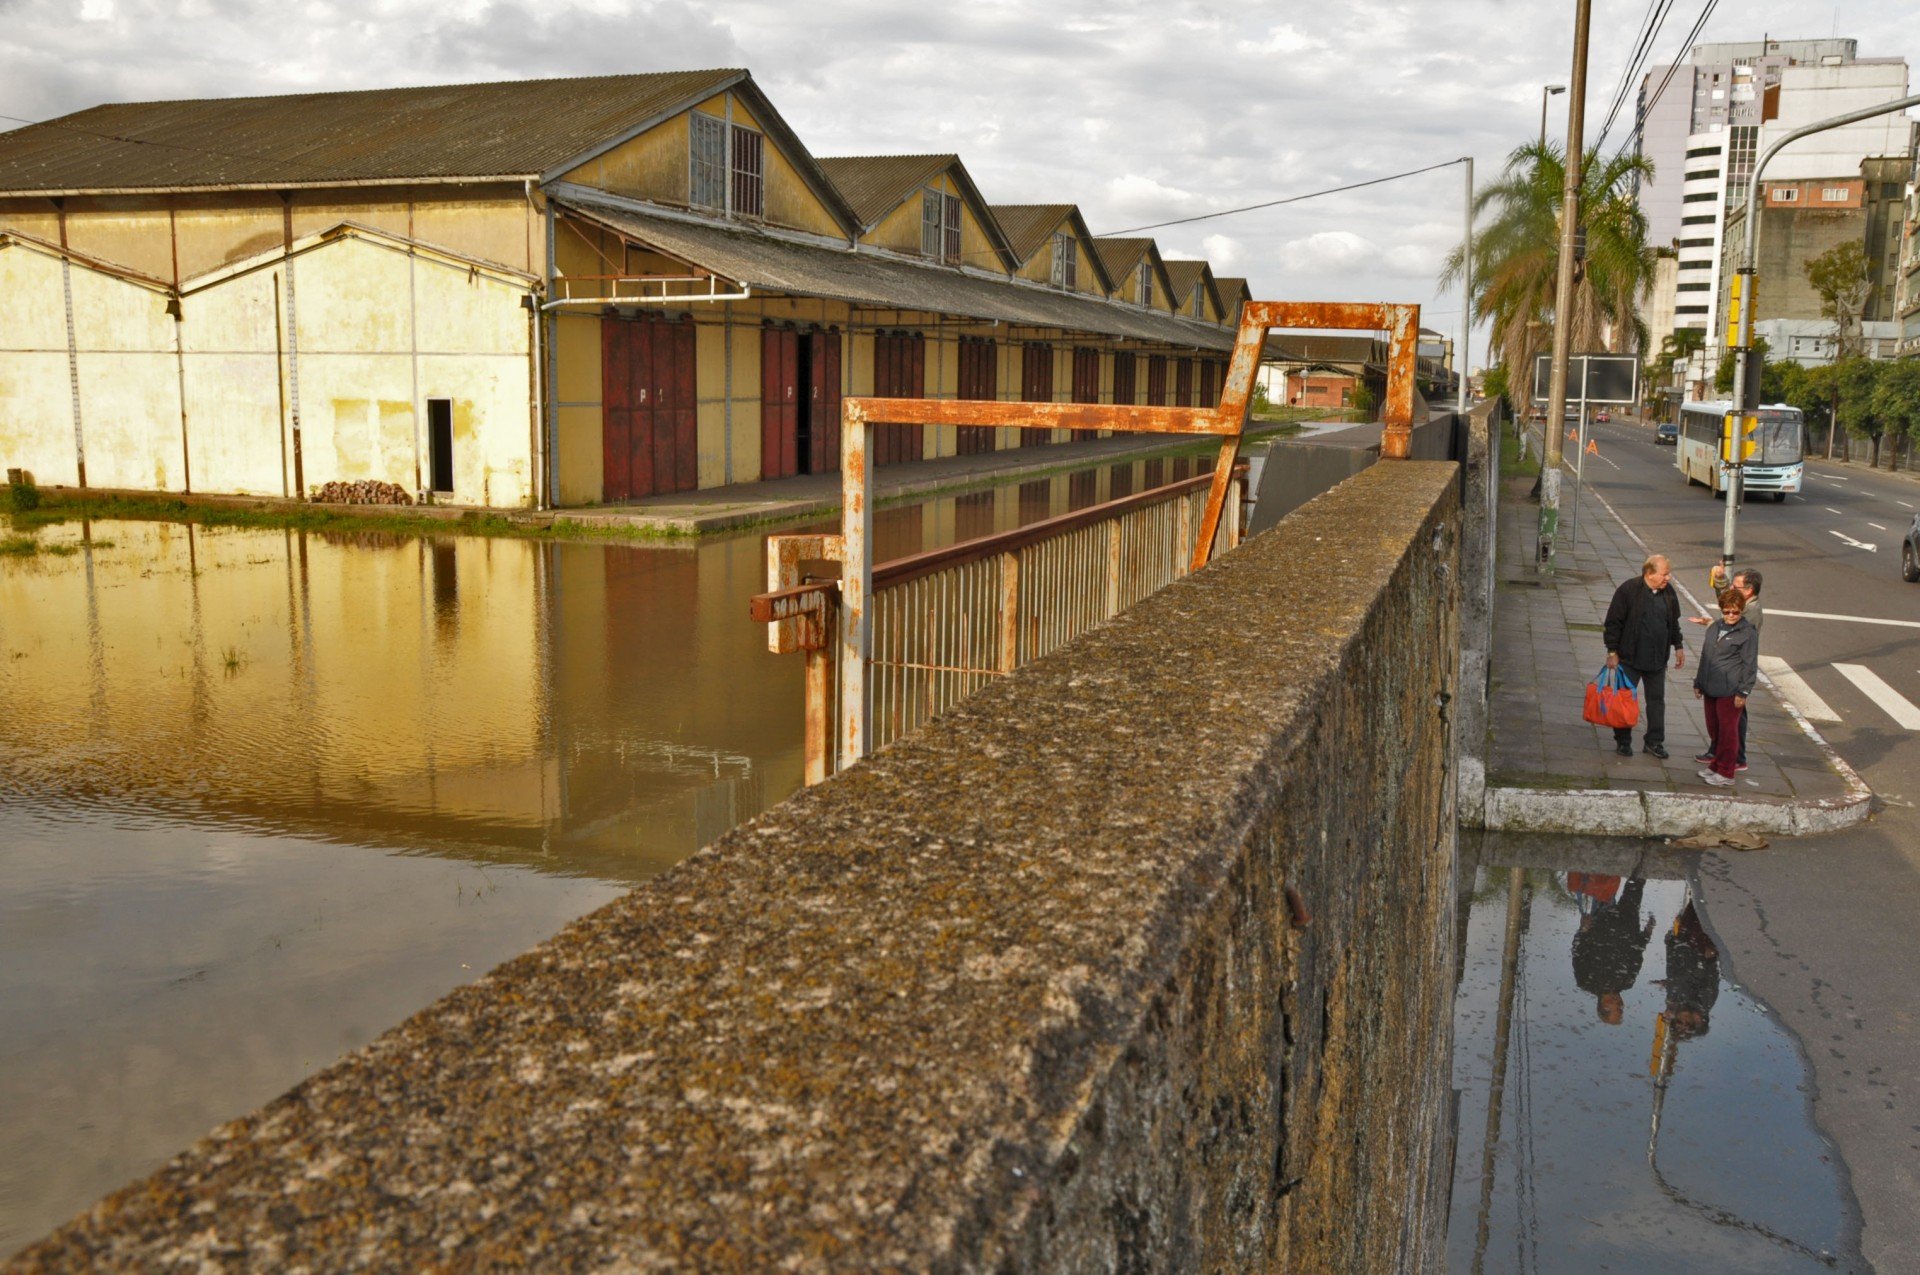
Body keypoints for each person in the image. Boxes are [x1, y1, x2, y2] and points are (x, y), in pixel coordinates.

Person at [1602, 553, 1686, 758]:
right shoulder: (1628, 590)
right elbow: (1613, 623)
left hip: (1657, 660)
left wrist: (1678, 645)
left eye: (1669, 574)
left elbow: (1673, 622)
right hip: (1630, 658)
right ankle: (1623, 741)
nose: (1668, 578)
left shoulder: (1669, 593)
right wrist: (1612, 651)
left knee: (1657, 702)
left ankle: (1654, 742)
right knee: (1625, 701)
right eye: (1664, 574)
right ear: (1649, 573)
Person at [1690, 568, 1762, 770]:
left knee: (1731, 725)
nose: (1730, 614)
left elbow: (1748, 658)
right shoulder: (1724, 620)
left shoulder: (1750, 619)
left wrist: (1743, 690)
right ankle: (1719, 760)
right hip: (1718, 681)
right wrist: (1720, 580)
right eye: (1726, 611)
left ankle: (1731, 763)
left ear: (1748, 591)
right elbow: (1727, 603)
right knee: (1719, 725)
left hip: (1732, 682)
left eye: (1735, 585)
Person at [1570, 873, 1655, 1025]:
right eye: (1622, 1009)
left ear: (1604, 1007)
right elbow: (1637, 953)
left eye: (1618, 1009)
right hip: (1628, 921)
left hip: (1601, 920)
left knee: (1604, 879)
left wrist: (1583, 930)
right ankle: (1642, 856)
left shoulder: (1586, 981)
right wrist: (1647, 933)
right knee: (1637, 881)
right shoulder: (1628, 981)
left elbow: (1578, 952)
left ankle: (1609, 854)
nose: (1621, 1005)